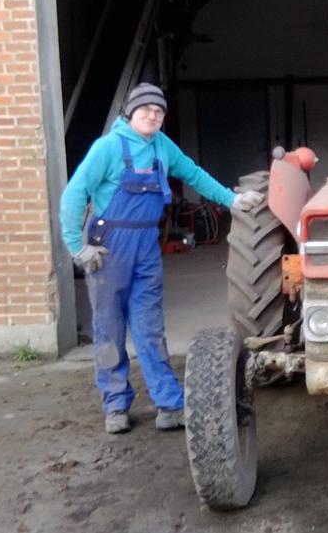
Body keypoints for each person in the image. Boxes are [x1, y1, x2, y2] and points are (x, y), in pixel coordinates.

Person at [60, 83, 264, 434]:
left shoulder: (161, 146)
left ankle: (169, 403)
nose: (152, 116)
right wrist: (76, 247)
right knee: (109, 327)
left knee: (149, 327)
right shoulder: (108, 148)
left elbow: (193, 174)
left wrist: (231, 200)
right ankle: (115, 405)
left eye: (159, 112)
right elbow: (74, 194)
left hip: (146, 248)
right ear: (130, 113)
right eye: (145, 110)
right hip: (109, 250)